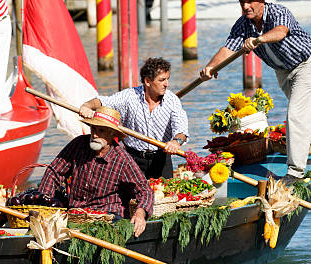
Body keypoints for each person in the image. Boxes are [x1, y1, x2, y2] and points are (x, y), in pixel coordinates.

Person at [199, 0, 311, 185]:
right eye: (242, 2)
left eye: (250, 1)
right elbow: (228, 49)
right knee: (303, 113)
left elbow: (280, 32)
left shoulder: (278, 11)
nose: (245, 6)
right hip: (282, 72)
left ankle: (295, 173)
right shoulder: (243, 24)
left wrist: (258, 40)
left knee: (295, 115)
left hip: (305, 65)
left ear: (262, 1)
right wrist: (211, 67)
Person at [38, 106, 154, 237]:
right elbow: (54, 171)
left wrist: (140, 213)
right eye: (93, 128)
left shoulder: (122, 159)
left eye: (101, 130)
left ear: (112, 134)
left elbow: (145, 190)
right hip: (76, 214)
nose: (95, 135)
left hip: (108, 217)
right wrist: (43, 203)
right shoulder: (79, 144)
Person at [79, 57, 189, 179]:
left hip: (161, 158)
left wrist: (176, 142)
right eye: (162, 80)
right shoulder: (129, 96)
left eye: (167, 79)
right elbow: (103, 101)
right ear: (148, 81)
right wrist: (87, 106)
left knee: (167, 194)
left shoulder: (172, 100)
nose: (166, 84)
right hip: (133, 159)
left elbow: (181, 128)